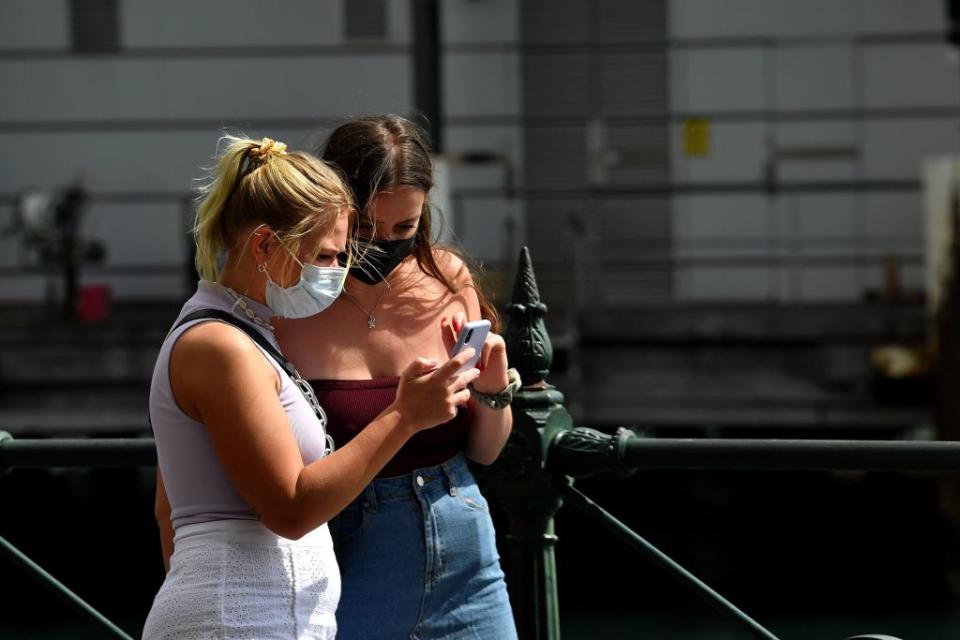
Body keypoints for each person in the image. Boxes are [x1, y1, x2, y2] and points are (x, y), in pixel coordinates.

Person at [143, 135, 481, 640]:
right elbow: (291, 509)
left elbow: (168, 506)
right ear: (262, 245)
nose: (335, 273)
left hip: (263, 617)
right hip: (237, 620)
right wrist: (404, 415)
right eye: (323, 256)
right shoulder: (221, 347)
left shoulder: (247, 332)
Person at [274, 115, 520, 639]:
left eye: (405, 229)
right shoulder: (289, 303)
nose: (384, 244)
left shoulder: (446, 277)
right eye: (364, 231)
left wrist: (493, 391)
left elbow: (484, 451)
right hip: (344, 550)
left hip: (463, 545)